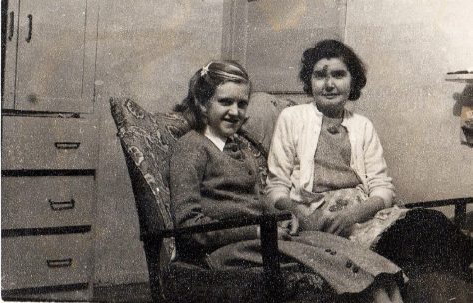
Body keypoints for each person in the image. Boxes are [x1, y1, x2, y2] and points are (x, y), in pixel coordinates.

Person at [170, 60, 405, 302]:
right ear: (202, 103)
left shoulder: (238, 147)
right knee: (344, 268)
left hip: (259, 240)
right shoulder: (191, 148)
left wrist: (286, 214)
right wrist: (257, 230)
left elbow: (257, 200)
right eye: (225, 102)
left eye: (242, 104)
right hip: (224, 251)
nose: (235, 111)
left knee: (365, 263)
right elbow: (189, 227)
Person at [266, 39, 473, 280]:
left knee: (430, 220)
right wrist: (301, 215)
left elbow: (383, 189)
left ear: (352, 80)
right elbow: (275, 187)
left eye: (338, 75)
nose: (329, 84)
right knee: (413, 241)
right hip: (322, 221)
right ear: (309, 80)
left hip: (363, 215)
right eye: (320, 75)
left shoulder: (362, 125)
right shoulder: (291, 118)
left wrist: (355, 214)